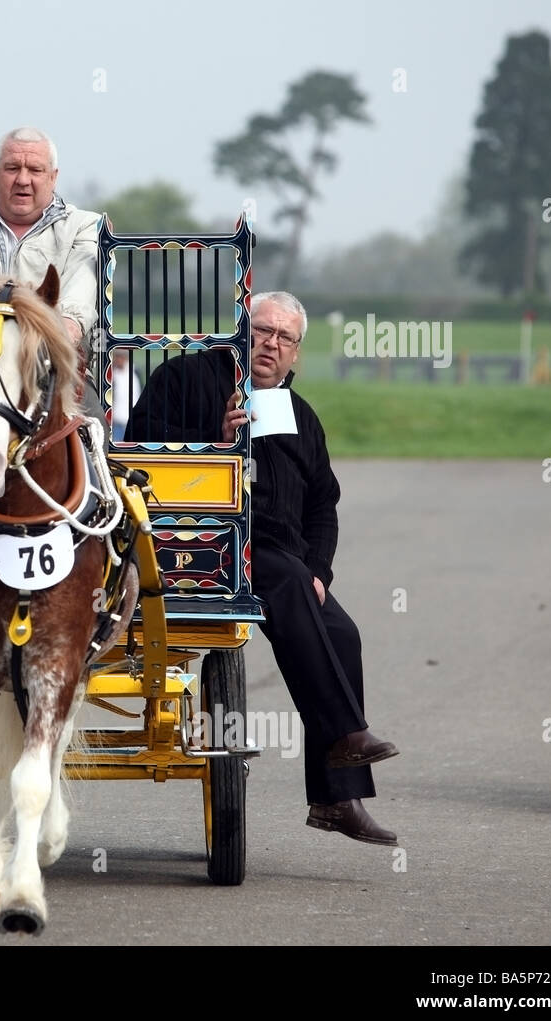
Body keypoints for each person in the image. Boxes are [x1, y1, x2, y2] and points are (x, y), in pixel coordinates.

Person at [126, 291, 401, 846]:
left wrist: (321, 567)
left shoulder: (302, 416)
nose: (270, 344)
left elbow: (324, 501)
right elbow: (137, 458)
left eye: (284, 338)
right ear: (240, 330)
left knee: (344, 633)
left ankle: (334, 799)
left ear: (296, 353)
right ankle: (348, 733)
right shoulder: (184, 377)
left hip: (285, 556)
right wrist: (216, 446)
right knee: (291, 582)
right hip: (202, 543)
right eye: (261, 331)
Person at [0, 127, 103, 427]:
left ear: (53, 176)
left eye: (35, 169)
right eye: (12, 168)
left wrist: (37, 349)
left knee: (93, 430)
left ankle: (101, 477)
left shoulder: (83, 227)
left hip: (54, 368)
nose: (23, 179)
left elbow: (77, 307)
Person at [110, 348, 141, 442]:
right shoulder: (111, 374)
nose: (119, 360)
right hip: (116, 422)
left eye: (122, 357)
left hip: (133, 420)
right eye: (117, 357)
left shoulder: (135, 371)